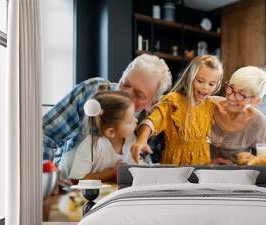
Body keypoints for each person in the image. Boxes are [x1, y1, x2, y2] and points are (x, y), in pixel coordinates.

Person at [42, 54, 172, 165]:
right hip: (71, 181)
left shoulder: (151, 121)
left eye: (138, 95)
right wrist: (48, 176)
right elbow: (44, 135)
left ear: (151, 103)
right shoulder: (91, 91)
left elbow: (144, 164)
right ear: (121, 76)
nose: (126, 93)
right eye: (125, 83)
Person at [131, 55, 223, 165]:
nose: (205, 87)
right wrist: (142, 140)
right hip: (174, 168)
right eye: (200, 81)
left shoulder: (211, 105)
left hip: (202, 169)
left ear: (217, 85)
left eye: (211, 84)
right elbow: (151, 121)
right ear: (190, 77)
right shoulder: (173, 101)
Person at [210, 66, 266, 165]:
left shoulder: (260, 124)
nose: (231, 97)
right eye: (231, 87)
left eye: (241, 95)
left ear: (256, 101)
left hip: (236, 179)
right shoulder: (209, 105)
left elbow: (264, 164)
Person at [69, 91, 138, 181]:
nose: (136, 120)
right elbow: (75, 179)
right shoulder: (93, 145)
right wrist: (111, 173)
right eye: (130, 121)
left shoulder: (130, 139)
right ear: (111, 132)